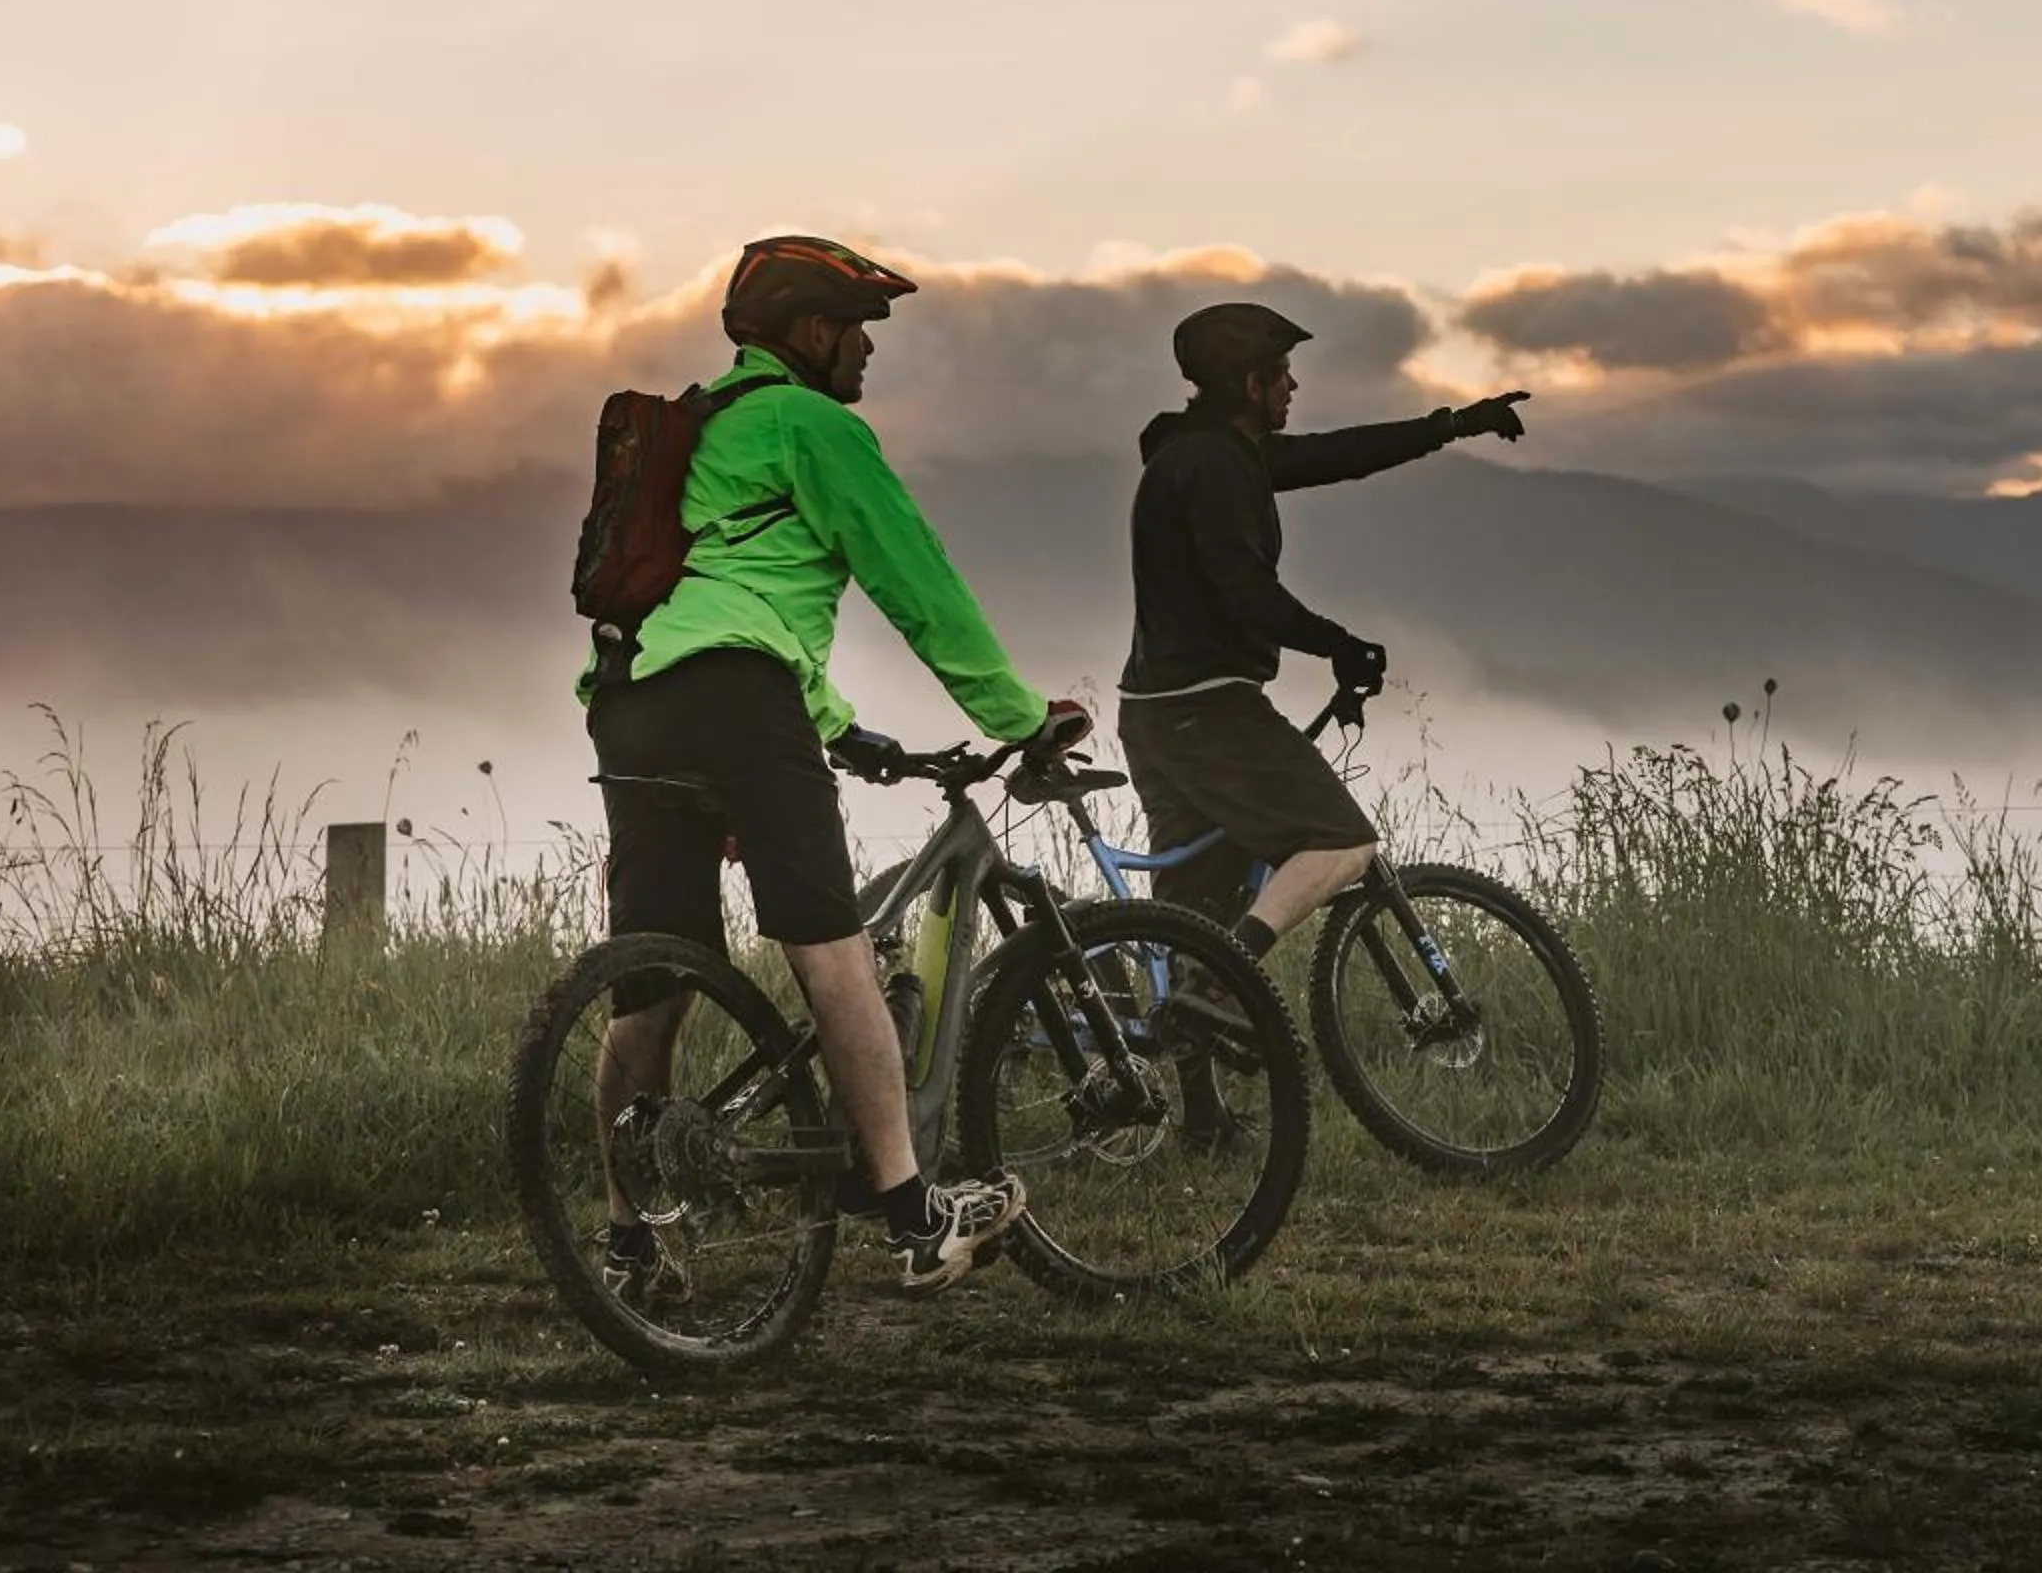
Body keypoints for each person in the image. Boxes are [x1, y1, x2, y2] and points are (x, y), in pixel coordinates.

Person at [579, 234, 1089, 1297]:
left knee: (654, 980)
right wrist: (1019, 713)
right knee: (833, 948)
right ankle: (913, 1215)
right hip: (733, 696)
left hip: (631, 702)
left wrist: (833, 722)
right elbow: (918, 582)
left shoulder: (703, 423)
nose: (867, 351)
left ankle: (628, 1243)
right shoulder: (814, 424)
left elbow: (724, 586)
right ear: (812, 333)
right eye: (858, 330)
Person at [1115, 300, 1530, 1003]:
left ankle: (1203, 1106)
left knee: (1192, 921)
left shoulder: (1210, 454)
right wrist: (1336, 644)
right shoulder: (1215, 467)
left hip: (1154, 714)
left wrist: (1455, 422)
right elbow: (1245, 591)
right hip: (1209, 711)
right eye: (1282, 374)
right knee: (1342, 842)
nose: (1293, 388)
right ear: (1251, 384)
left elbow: (1338, 454)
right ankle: (1226, 978)